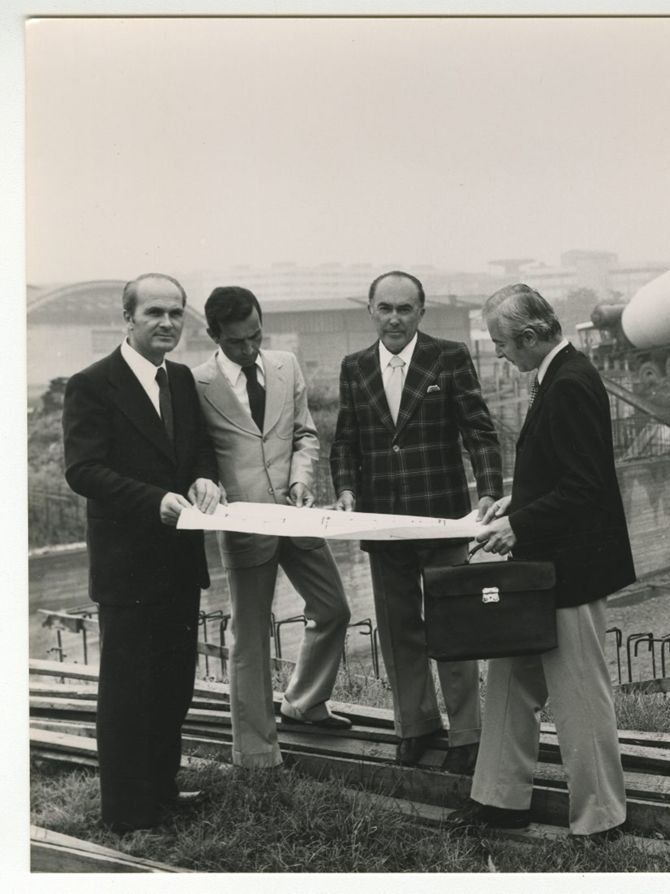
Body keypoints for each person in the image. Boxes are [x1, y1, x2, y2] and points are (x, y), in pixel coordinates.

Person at [449, 283, 634, 841]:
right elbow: (559, 472)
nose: (500, 354)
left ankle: (600, 819)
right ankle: (501, 801)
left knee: (578, 696)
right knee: (508, 683)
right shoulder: (557, 376)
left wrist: (519, 524)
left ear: (531, 336)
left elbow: (584, 486)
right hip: (543, 566)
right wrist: (517, 501)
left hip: (569, 571)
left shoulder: (571, 383)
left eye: (504, 344)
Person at [62, 273, 221, 833]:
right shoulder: (91, 384)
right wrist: (155, 501)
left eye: (176, 313)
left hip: (179, 560)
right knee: (128, 692)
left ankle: (161, 792)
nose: (168, 323)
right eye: (154, 312)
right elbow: (83, 470)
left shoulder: (178, 379)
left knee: (173, 684)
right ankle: (127, 814)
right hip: (128, 565)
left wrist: (205, 480)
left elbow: (197, 449)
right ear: (127, 318)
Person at [330, 270, 502, 773]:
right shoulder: (354, 367)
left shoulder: (447, 357)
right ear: (370, 310)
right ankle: (415, 726)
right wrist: (345, 490)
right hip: (384, 526)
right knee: (397, 628)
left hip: (442, 518)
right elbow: (345, 441)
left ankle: (467, 734)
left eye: (405, 309)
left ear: (421, 313)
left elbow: (479, 431)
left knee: (453, 625)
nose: (394, 318)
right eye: (385, 308)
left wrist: (489, 490)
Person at [193, 286, 353, 768]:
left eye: (256, 336)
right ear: (213, 334)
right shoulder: (195, 383)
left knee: (334, 609)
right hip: (244, 527)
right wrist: (209, 487)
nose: (249, 348)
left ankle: (303, 702)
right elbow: (198, 455)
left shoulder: (286, 365)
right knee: (250, 635)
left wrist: (303, 479)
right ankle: (256, 752)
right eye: (238, 341)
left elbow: (305, 433)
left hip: (296, 516)